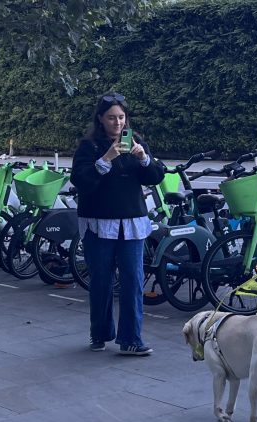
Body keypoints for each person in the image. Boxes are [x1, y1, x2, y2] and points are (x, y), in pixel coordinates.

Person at [70, 92, 165, 356]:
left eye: (121, 117)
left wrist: (144, 158)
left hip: (132, 221)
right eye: (112, 118)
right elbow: (81, 180)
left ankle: (131, 338)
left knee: (133, 279)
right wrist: (106, 159)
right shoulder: (89, 147)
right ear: (100, 119)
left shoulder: (135, 142)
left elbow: (156, 176)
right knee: (101, 279)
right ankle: (99, 332)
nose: (118, 123)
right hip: (99, 222)